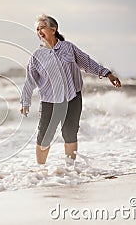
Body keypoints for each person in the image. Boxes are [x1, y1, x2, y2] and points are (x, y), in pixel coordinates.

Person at [20, 14, 121, 165]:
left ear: (53, 29)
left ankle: (70, 169)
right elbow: (30, 80)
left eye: (42, 28)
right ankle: (40, 170)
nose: (39, 32)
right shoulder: (36, 56)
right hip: (50, 101)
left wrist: (107, 74)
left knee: (70, 134)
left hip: (72, 98)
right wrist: (25, 101)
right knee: (44, 137)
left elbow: (87, 63)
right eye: (37, 29)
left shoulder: (68, 48)